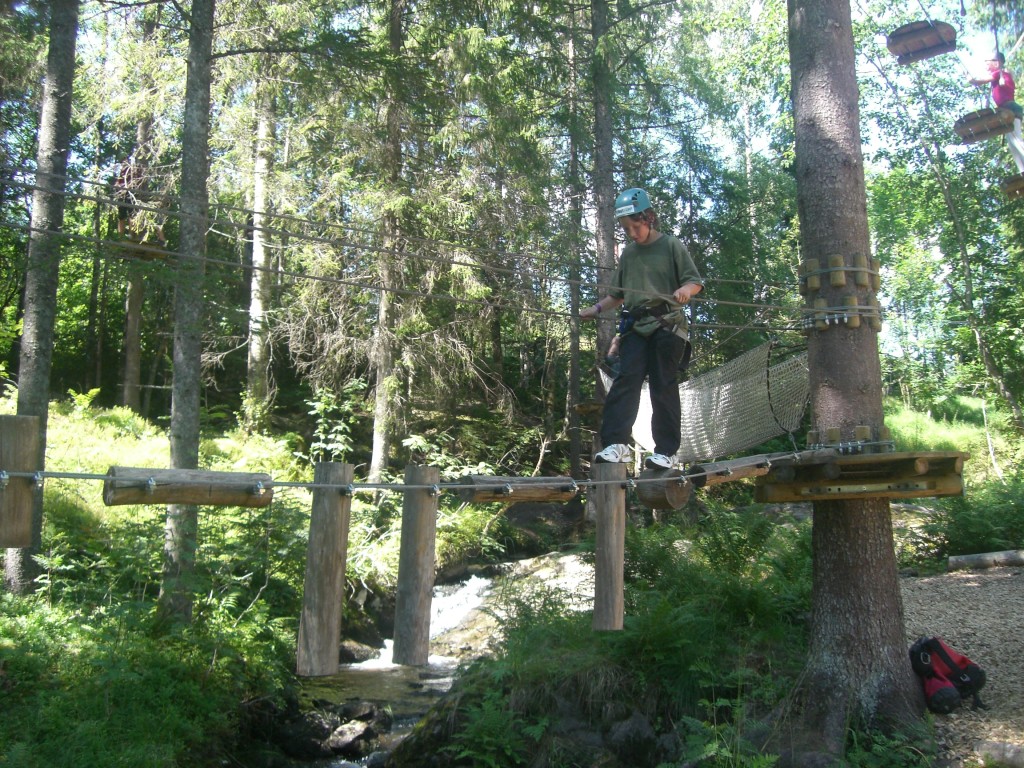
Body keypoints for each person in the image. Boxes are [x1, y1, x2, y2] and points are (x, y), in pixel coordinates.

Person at [580, 187, 703, 469]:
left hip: (667, 326)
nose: (632, 233)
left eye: (635, 226)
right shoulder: (630, 255)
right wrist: (596, 309)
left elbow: (694, 281)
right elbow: (618, 294)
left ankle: (667, 452)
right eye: (627, 229)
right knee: (626, 381)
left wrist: (685, 290)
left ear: (649, 218)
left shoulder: (671, 245)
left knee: (663, 386)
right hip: (636, 326)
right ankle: (616, 445)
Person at [970, 51, 1024, 174]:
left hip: (1010, 109)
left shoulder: (999, 74)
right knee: (1013, 142)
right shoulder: (1004, 75)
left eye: (988, 63)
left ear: (996, 63)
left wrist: (972, 80)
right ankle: (1022, 170)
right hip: (1010, 109)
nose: (986, 66)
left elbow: (980, 81)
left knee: (1016, 140)